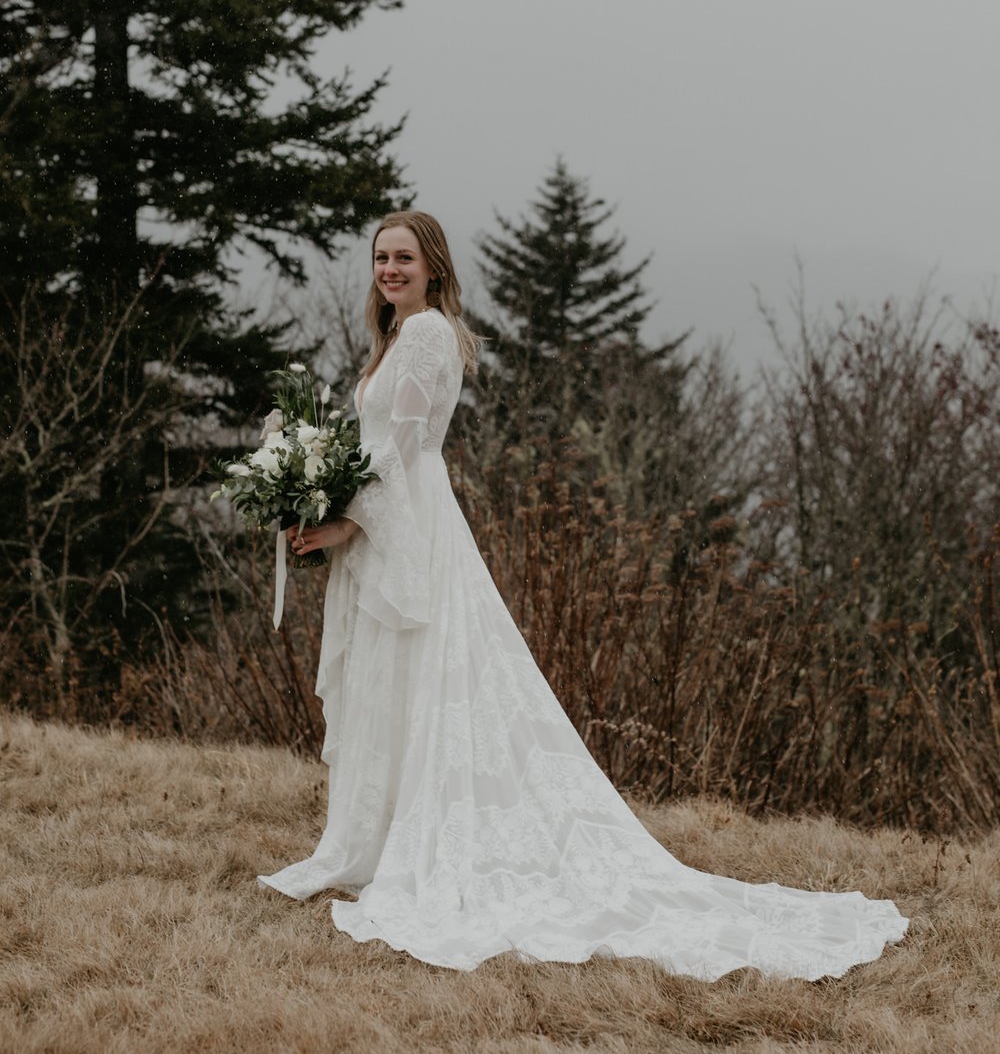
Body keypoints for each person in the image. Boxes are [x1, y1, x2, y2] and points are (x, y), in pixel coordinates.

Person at [258, 211, 908, 978]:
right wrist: (323, 500)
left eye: (404, 257)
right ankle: (380, 834)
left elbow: (398, 451)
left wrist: (340, 525)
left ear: (433, 266)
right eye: (380, 257)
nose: (390, 269)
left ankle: (425, 842)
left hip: (409, 519)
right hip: (388, 518)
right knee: (396, 678)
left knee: (432, 670)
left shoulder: (429, 331)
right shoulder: (396, 337)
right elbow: (375, 452)